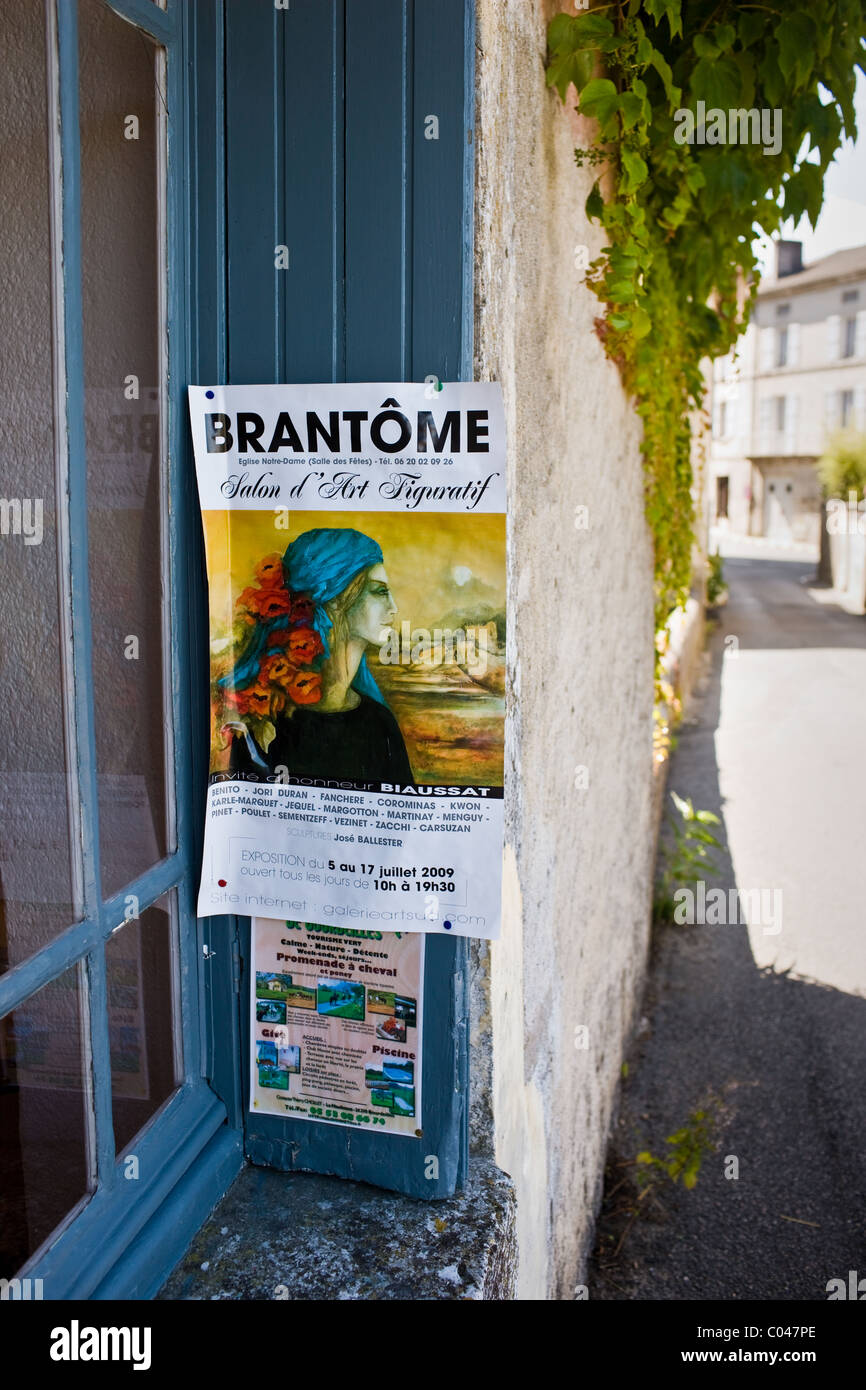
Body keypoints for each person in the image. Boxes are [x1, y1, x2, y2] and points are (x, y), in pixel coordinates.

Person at [222, 527, 414, 783]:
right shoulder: (264, 723)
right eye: (379, 591)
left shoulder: (379, 724)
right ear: (334, 599)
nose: (394, 608)